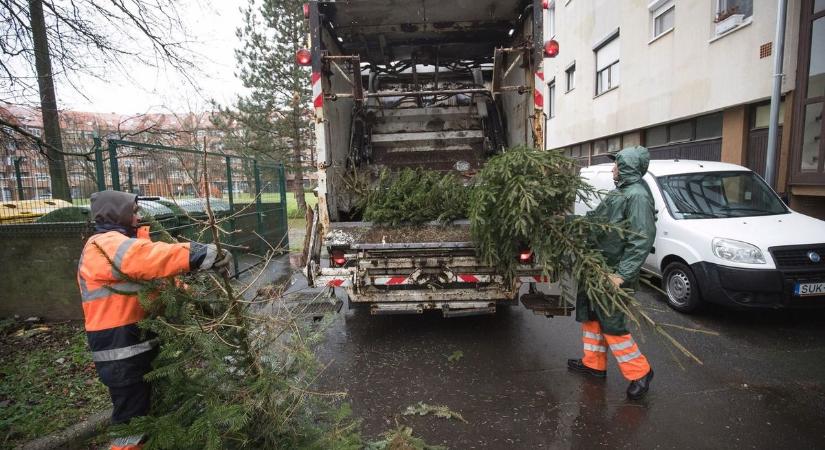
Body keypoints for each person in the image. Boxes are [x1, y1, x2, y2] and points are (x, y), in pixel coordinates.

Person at [77, 190, 231, 449]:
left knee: (146, 418)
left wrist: (198, 300)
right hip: (120, 352)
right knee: (131, 427)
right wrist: (200, 254)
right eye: (133, 211)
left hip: (133, 346)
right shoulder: (104, 246)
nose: (137, 217)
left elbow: (155, 283)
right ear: (119, 214)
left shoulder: (117, 247)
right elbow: (149, 257)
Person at [567, 146, 656, 400]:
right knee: (592, 316)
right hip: (597, 266)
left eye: (617, 164)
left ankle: (640, 372)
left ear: (628, 166)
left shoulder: (637, 196)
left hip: (612, 272)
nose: (613, 168)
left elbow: (641, 239)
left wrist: (621, 274)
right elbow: (596, 220)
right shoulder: (621, 192)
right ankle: (593, 364)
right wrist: (567, 222)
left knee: (612, 322)